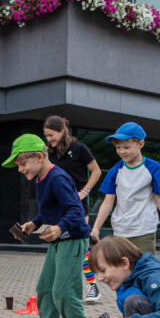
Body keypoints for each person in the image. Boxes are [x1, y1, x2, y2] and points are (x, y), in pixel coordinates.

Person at [4, 134, 96, 318]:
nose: (20, 169)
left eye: (23, 164)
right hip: (58, 240)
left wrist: (60, 227)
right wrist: (34, 223)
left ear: (38, 156)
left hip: (72, 239)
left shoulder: (57, 177)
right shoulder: (41, 178)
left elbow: (76, 210)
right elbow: (49, 210)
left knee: (64, 291)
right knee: (45, 289)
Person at [90, 121, 160, 255]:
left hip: (144, 228)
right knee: (121, 270)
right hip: (120, 229)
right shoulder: (115, 170)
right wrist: (96, 228)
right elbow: (108, 202)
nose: (121, 151)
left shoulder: (153, 167)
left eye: (126, 147)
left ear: (140, 144)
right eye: (118, 147)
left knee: (145, 268)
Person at [43, 115, 103, 304]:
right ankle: (58, 287)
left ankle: (91, 286)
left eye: (51, 135)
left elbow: (96, 171)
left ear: (62, 131)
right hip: (58, 206)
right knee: (62, 247)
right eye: (46, 136)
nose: (49, 140)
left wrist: (85, 191)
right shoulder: (50, 153)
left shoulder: (78, 149)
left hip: (77, 205)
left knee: (80, 247)